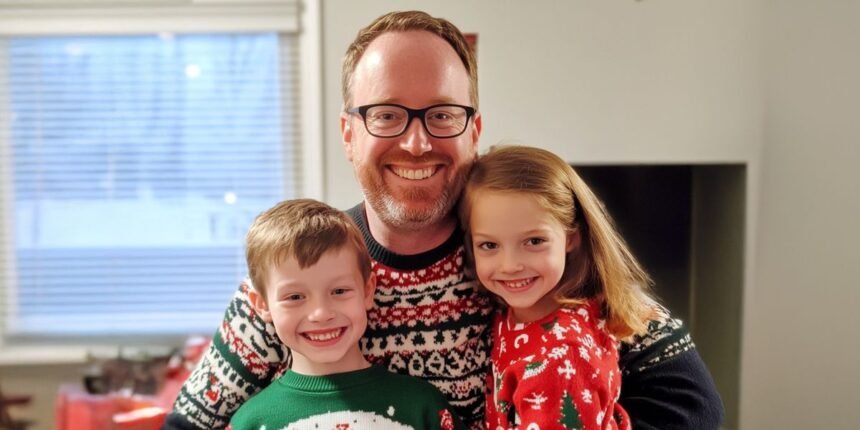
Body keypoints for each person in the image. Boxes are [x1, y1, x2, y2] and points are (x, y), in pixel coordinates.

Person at [165, 10, 724, 430]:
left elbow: (691, 405)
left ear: (473, 131)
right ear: (348, 133)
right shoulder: (301, 271)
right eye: (386, 115)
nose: (416, 142)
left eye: (441, 114)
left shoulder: (524, 255)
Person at [459, 145, 663, 429]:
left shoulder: (560, 357)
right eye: (489, 245)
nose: (510, 265)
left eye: (534, 241)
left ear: (570, 238)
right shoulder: (523, 314)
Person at [228, 199, 462, 430]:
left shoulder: (422, 407)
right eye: (295, 297)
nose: (321, 314)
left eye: (339, 291)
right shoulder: (250, 422)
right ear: (263, 305)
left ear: (367, 291)